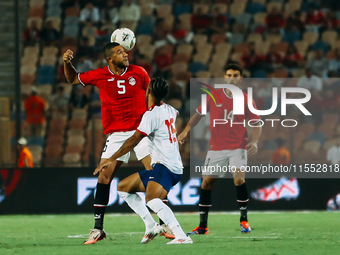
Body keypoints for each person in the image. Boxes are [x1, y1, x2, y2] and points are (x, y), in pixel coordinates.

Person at [63, 42, 152, 245]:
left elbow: (152, 95)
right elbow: (72, 79)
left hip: (140, 131)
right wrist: (67, 63)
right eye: (120, 52)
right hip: (116, 134)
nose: (126, 54)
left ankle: (164, 224)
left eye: (125, 51)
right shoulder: (99, 74)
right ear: (110, 58)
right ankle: (98, 229)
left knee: (153, 172)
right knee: (104, 176)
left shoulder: (139, 72)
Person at [95, 77, 193, 244]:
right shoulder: (169, 109)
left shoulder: (151, 114)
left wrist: (110, 159)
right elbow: (176, 113)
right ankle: (150, 225)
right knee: (123, 188)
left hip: (165, 167)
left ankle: (181, 236)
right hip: (171, 165)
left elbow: (134, 139)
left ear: (148, 92)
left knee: (152, 200)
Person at [178, 63, 262, 235]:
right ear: (224, 77)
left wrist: (254, 142)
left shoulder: (246, 99)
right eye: (229, 75)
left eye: (235, 75)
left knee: (238, 180)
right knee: (207, 183)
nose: (232, 78)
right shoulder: (213, 96)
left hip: (238, 147)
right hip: (216, 148)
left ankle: (244, 221)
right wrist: (186, 130)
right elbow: (198, 115)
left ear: (241, 78)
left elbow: (257, 123)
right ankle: (202, 226)